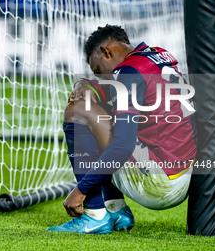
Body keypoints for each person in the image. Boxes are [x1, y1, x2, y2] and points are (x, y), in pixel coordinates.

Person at [47, 25, 197, 234]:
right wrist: (87, 84)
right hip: (186, 177)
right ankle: (117, 211)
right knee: (108, 114)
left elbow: (123, 146)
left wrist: (80, 190)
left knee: (77, 111)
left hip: (160, 183)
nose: (103, 77)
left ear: (106, 52)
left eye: (99, 71)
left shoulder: (126, 73)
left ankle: (94, 214)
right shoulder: (156, 55)